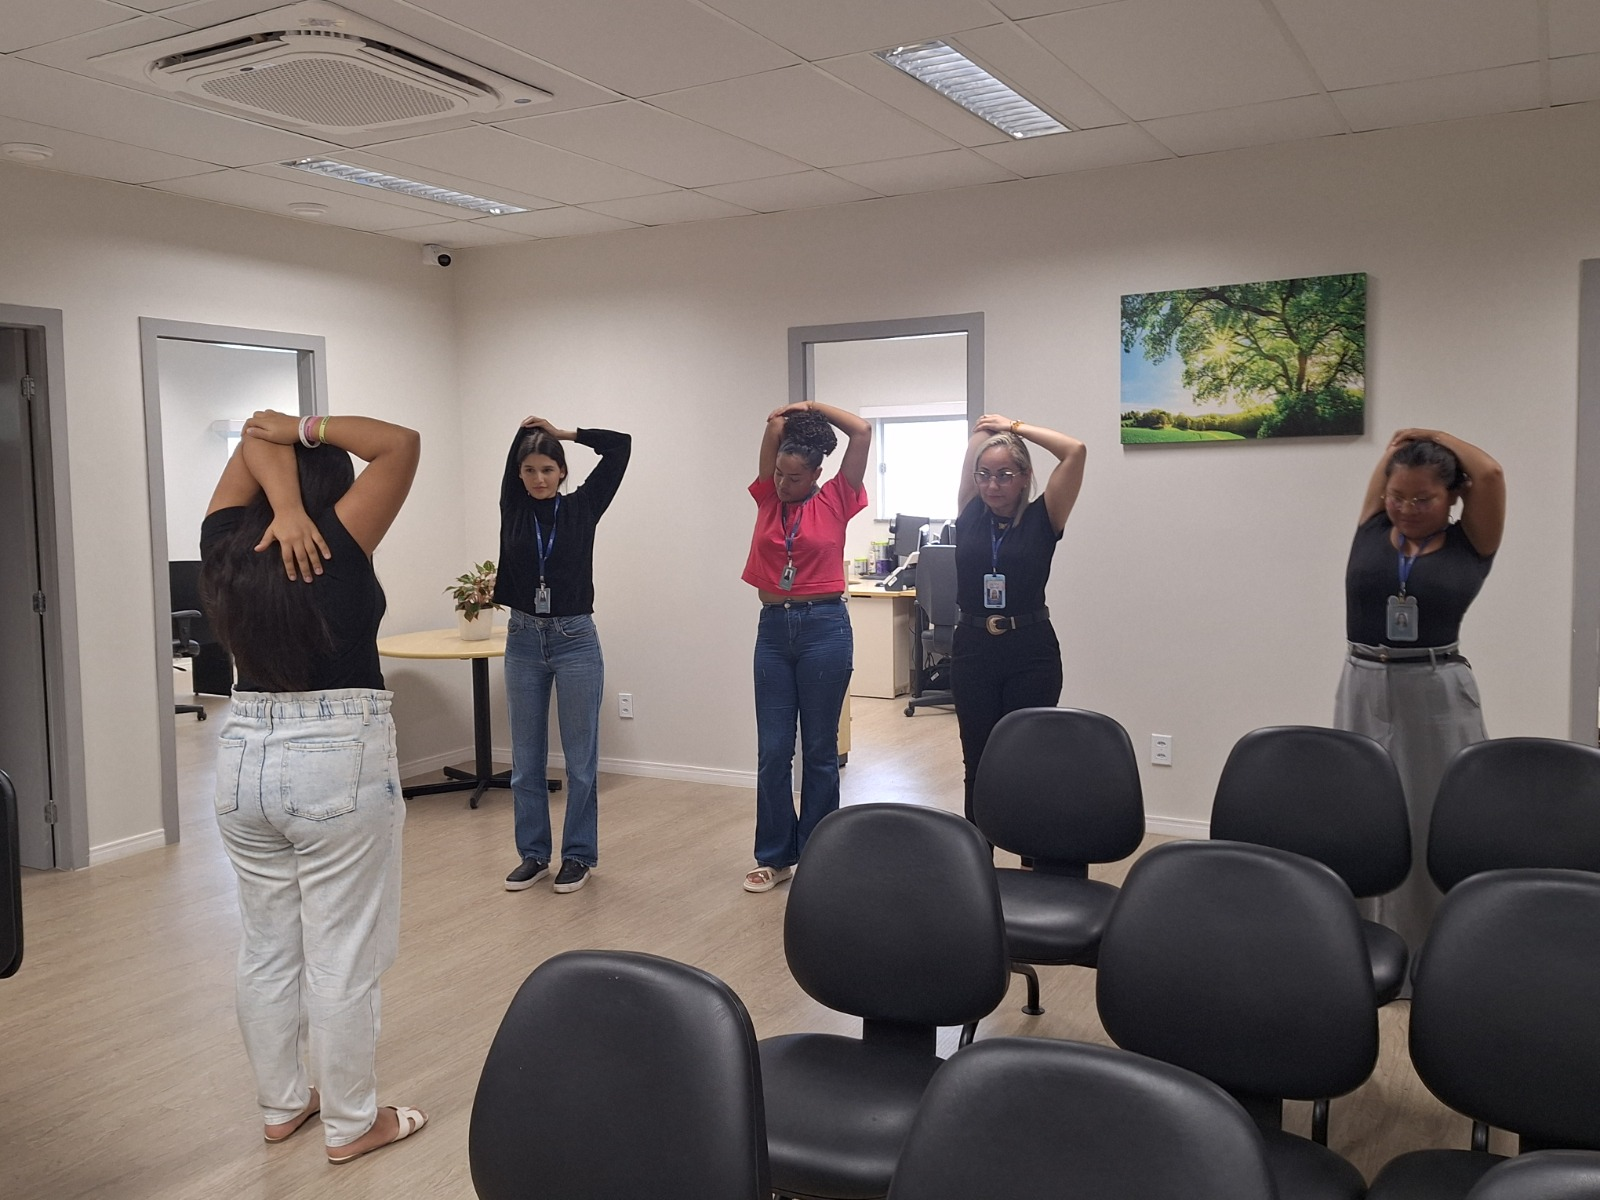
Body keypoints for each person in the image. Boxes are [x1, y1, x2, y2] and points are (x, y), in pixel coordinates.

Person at [200, 408, 424, 1164]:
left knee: (267, 947)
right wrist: (309, 427)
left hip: (241, 754)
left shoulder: (225, 540)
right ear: (334, 479)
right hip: (334, 756)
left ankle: (281, 1107)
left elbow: (247, 444)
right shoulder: (340, 537)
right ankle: (353, 1124)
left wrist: (282, 500)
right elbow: (399, 443)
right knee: (343, 954)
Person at [1336, 427, 1505, 969]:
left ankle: (1434, 953)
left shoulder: (1472, 543)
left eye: (1423, 498)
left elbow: (1491, 474)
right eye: (1397, 495)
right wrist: (1396, 454)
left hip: (1435, 687)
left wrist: (1431, 434)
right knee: (1363, 810)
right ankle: (1358, 944)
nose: (1406, 507)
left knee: (1433, 817)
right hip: (1361, 677)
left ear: (1453, 497)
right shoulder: (1372, 525)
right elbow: (1388, 464)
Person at [495, 417, 631, 894]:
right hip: (523, 640)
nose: (537, 478)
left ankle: (577, 856)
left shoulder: (583, 507)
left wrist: (564, 432)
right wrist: (525, 432)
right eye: (529, 469)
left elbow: (620, 446)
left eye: (547, 469)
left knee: (579, 761)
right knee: (526, 762)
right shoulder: (512, 507)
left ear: (562, 471)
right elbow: (516, 453)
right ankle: (533, 854)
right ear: (518, 474)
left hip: (575, 641)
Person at [740, 401, 871, 892]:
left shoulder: (837, 497)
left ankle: (817, 850)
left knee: (818, 749)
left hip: (824, 629)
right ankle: (774, 856)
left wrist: (814, 407)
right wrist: (784, 420)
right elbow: (773, 429)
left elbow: (861, 432)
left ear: (817, 473)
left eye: (794, 478)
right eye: (778, 474)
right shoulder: (768, 500)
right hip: (773, 630)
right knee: (774, 751)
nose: (781, 484)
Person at [951, 415, 1087, 820]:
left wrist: (1015, 427)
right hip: (973, 650)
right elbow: (977, 435)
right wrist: (989, 428)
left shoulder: (1045, 516)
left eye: (1005, 475)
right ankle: (975, 862)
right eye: (985, 474)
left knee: (1029, 761)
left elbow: (1074, 451)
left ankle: (1035, 863)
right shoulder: (970, 511)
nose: (992, 485)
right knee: (976, 761)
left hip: (1031, 652)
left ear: (1025, 477)